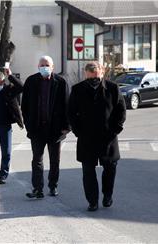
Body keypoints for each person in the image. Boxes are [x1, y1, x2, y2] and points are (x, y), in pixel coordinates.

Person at [68, 61, 126, 211]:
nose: (93, 80)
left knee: (110, 168)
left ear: (102, 73)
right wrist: (78, 131)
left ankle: (107, 195)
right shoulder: (77, 89)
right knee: (88, 171)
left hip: (108, 138)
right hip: (86, 139)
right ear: (85, 74)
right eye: (90, 77)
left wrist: (115, 129)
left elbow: (121, 110)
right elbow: (71, 114)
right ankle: (92, 201)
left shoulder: (113, 88)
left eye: (96, 77)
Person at [21, 56, 70, 199]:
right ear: (37, 66)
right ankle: (37, 189)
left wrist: (66, 126)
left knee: (54, 160)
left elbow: (67, 105)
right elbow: (25, 106)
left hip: (55, 130)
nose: (44, 67)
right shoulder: (31, 81)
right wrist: (28, 124)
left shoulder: (60, 82)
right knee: (37, 159)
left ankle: (53, 186)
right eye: (42, 64)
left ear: (53, 67)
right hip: (37, 129)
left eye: (47, 65)